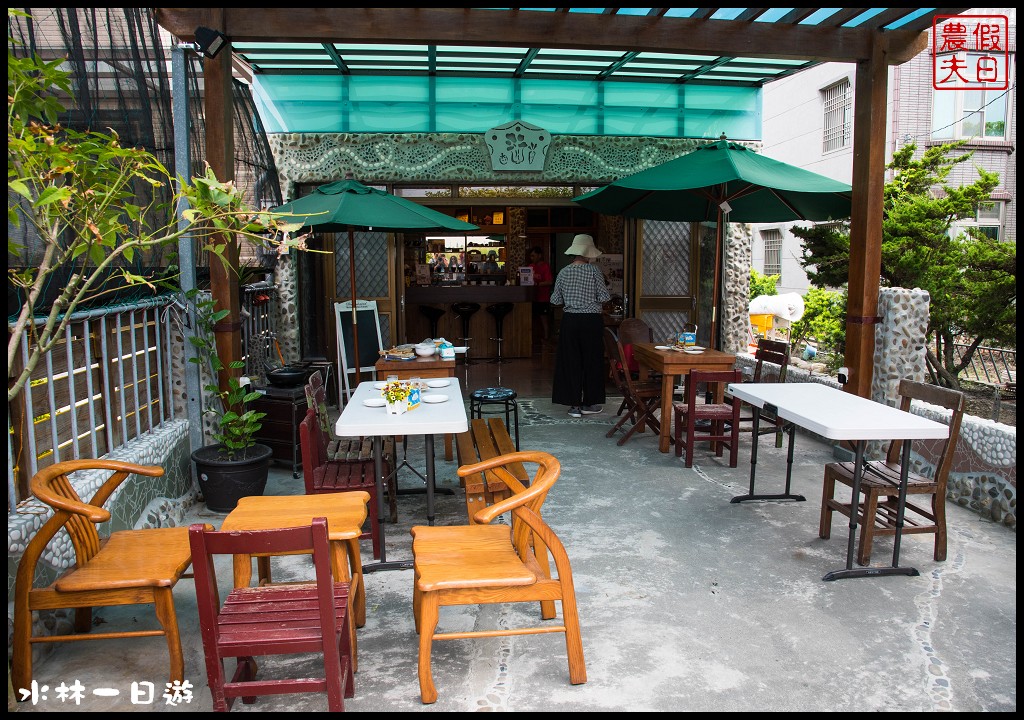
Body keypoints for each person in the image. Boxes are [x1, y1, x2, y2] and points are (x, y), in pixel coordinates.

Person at [549, 234, 610, 418]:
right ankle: (589, 403)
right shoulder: (594, 271)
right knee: (592, 362)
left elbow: (555, 300)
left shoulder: (563, 271)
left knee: (570, 361)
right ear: (587, 253)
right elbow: (604, 297)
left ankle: (574, 405)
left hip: (570, 320)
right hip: (591, 321)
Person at [527, 245, 554, 341]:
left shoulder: (545, 266)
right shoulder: (530, 266)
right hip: (532, 297)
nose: (532, 258)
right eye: (531, 256)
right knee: (532, 318)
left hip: (543, 297)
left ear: (539, 255)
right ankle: (532, 338)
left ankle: (546, 338)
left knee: (544, 319)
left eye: (533, 256)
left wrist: (537, 283)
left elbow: (550, 281)